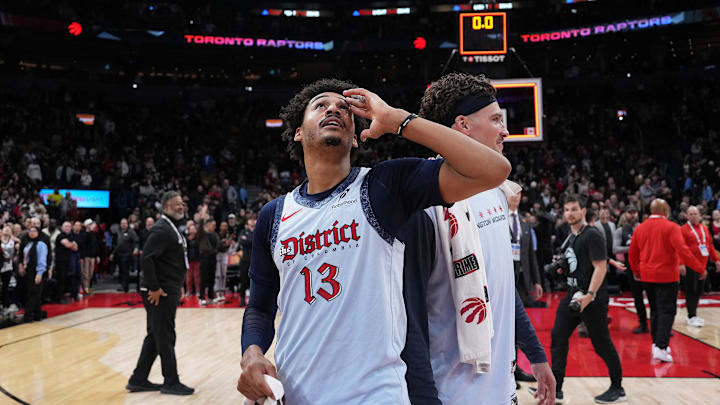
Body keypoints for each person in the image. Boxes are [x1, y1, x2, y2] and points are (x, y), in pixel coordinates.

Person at [236, 78, 510, 404]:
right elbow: (260, 306)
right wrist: (252, 352)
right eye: (321, 105)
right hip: (296, 393)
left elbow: (493, 170)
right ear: (298, 131)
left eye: (344, 108)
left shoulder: (384, 187)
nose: (334, 108)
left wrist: (399, 121)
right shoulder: (274, 215)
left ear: (355, 138)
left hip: (375, 395)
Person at [405, 72, 553, 405]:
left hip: (502, 389)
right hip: (451, 393)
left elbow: (499, 286)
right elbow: (408, 319)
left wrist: (535, 353)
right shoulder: (424, 205)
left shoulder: (497, 192)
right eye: (497, 119)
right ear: (463, 125)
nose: (505, 130)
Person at [550, 195, 625, 403]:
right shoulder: (571, 235)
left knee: (601, 343)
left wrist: (590, 296)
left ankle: (618, 388)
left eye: (574, 209)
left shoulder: (592, 234)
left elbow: (600, 268)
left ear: (583, 211)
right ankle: (556, 389)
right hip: (573, 294)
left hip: (592, 297)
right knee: (558, 336)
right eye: (566, 210)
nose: (569, 214)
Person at [127, 191, 194, 396]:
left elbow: (172, 260)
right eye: (176, 205)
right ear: (165, 207)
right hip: (159, 291)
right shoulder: (161, 229)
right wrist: (154, 287)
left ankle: (138, 379)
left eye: (182, 204)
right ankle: (171, 382)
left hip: (169, 287)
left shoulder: (171, 227)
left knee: (156, 335)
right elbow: (147, 259)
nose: (180, 207)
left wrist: (179, 283)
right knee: (165, 335)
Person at [680, 206, 719, 327]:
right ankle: (691, 315)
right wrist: (681, 263)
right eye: (690, 214)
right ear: (686, 216)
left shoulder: (705, 229)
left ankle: (694, 314)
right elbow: (680, 248)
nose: (693, 216)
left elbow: (710, 246)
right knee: (691, 290)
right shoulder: (683, 229)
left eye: (695, 214)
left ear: (700, 215)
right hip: (690, 265)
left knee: (698, 291)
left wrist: (717, 260)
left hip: (703, 265)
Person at [612, 204, 647, 333]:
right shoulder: (620, 231)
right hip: (632, 267)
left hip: (647, 265)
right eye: (630, 212)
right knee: (637, 296)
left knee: (653, 295)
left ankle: (657, 325)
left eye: (634, 212)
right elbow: (615, 249)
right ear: (625, 215)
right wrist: (633, 249)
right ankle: (643, 323)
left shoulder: (643, 228)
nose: (632, 215)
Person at [19, 226, 48, 323]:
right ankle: (37, 314)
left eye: (34, 231)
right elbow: (24, 258)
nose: (31, 232)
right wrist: (23, 266)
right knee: (35, 294)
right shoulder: (28, 244)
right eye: (30, 231)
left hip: (37, 271)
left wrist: (39, 273)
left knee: (33, 293)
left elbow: (42, 260)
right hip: (29, 271)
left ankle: (28, 316)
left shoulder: (41, 244)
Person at [195, 207, 219, 305]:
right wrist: (202, 216)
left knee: (211, 278)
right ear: (208, 225)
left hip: (213, 258)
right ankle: (201, 298)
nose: (214, 227)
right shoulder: (202, 234)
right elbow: (200, 226)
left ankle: (210, 297)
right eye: (213, 225)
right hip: (204, 257)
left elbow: (218, 246)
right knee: (204, 279)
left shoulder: (215, 235)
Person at [111, 218, 139, 293]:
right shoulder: (118, 232)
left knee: (125, 271)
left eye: (124, 223)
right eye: (122, 223)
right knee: (121, 271)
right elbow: (117, 244)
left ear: (127, 224)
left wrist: (136, 248)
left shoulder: (131, 232)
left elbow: (136, 241)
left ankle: (125, 287)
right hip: (119, 254)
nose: (123, 225)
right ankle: (122, 285)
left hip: (127, 254)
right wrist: (113, 254)